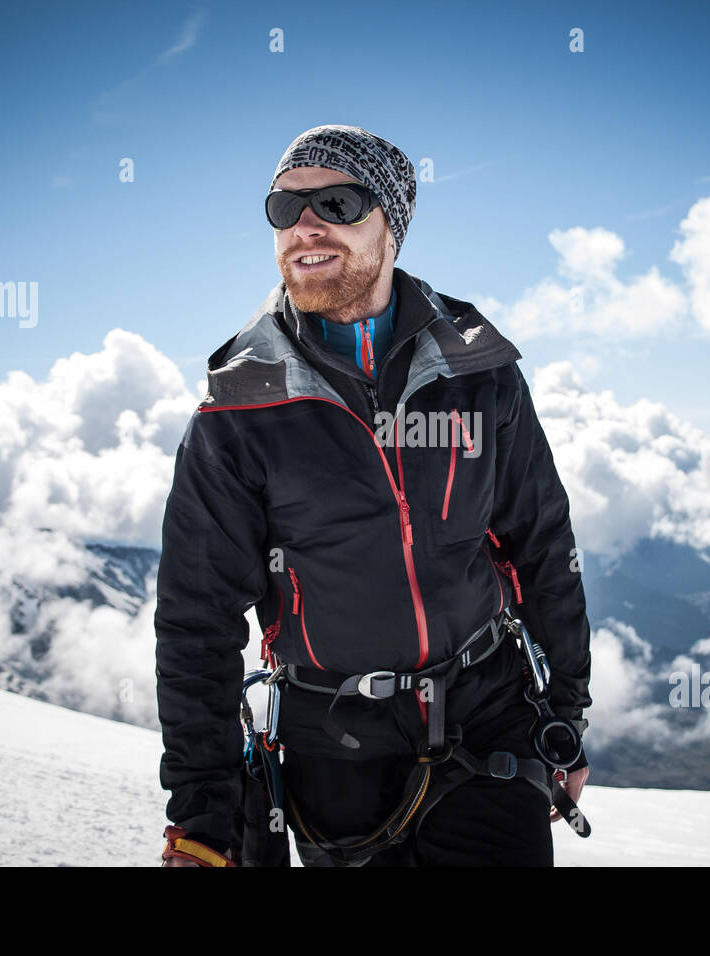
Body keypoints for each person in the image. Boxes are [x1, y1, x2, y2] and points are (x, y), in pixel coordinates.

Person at [154, 124, 592, 867]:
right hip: (337, 753)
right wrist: (204, 819)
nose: (306, 226)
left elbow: (542, 544)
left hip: (491, 721)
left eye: (338, 201)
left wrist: (567, 716)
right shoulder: (239, 409)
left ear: (393, 227)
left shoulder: (478, 372)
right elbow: (198, 623)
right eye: (284, 208)